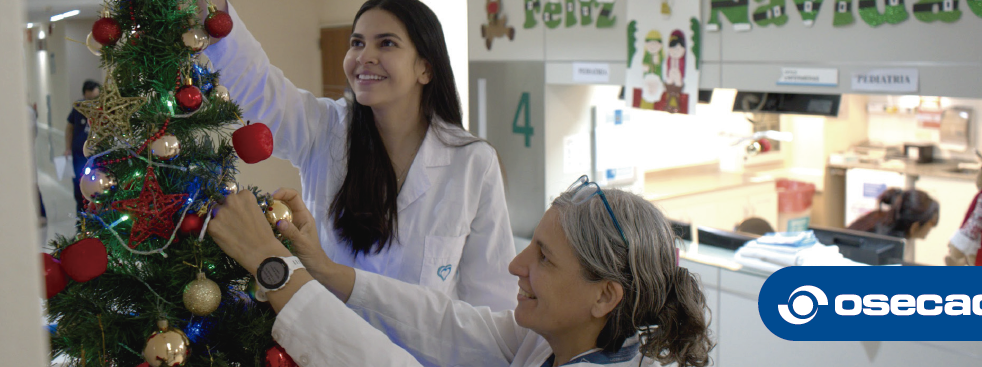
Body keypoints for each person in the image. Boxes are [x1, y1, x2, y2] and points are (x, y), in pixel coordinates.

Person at [201, 0, 518, 310]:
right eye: (357, 43)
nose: (365, 57)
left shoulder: (473, 162)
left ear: (426, 67)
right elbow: (258, 88)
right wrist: (214, 11)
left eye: (387, 43)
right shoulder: (325, 129)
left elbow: (492, 301)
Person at [207, 175, 713, 366]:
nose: (517, 265)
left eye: (544, 257)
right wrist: (327, 271)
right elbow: (445, 323)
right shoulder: (565, 339)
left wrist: (270, 265)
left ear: (605, 297)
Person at [847, 188, 940, 240]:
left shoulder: (881, 217)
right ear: (914, 226)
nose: (930, 229)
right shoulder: (888, 246)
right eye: (931, 223)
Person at [66, 80, 101, 214]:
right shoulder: (78, 108)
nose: (92, 102)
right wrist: (67, 148)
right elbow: (69, 128)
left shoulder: (103, 109)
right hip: (79, 157)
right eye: (89, 99)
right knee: (79, 191)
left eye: (95, 98)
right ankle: (81, 227)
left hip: (97, 157)